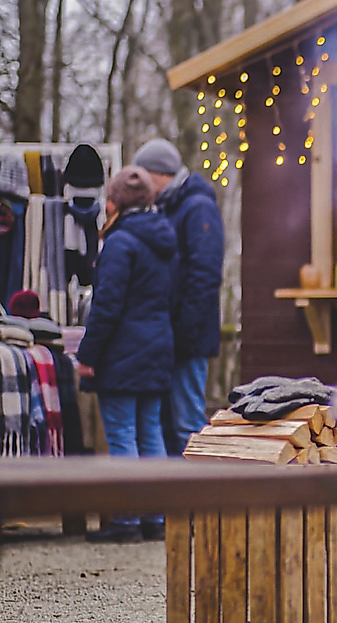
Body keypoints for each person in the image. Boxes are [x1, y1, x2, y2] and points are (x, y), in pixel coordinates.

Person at [76, 166, 177, 542]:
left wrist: (87, 355)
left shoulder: (120, 243)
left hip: (122, 353)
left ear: (115, 202)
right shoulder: (166, 239)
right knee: (150, 434)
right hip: (157, 348)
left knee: (122, 436)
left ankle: (127, 520)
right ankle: (155, 517)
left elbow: (106, 306)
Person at [132, 139, 225, 455]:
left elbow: (205, 275)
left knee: (187, 427)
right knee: (167, 426)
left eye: (142, 177)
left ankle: (194, 503)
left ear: (158, 174)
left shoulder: (197, 207)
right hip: (171, 338)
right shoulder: (172, 207)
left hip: (188, 339)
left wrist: (184, 332)